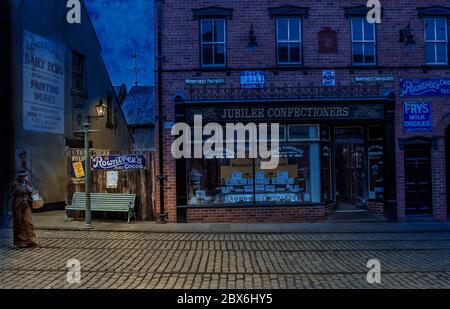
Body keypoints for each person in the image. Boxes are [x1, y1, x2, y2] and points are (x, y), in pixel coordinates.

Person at [8, 170, 39, 248]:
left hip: (26, 205)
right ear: (21, 176)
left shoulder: (27, 184)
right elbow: (11, 197)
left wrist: (34, 195)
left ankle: (31, 240)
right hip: (18, 206)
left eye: (26, 175)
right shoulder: (15, 184)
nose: (27, 177)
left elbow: (31, 193)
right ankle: (20, 241)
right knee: (19, 223)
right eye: (25, 175)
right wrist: (10, 209)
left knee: (28, 222)